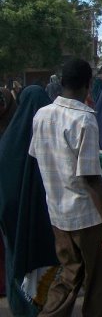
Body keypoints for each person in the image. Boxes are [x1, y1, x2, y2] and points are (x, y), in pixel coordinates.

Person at [29, 58, 102, 317]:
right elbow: (90, 177)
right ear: (88, 84)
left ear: (61, 83)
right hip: (88, 216)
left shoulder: (41, 115)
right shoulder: (84, 119)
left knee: (69, 275)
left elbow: (38, 157)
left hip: (59, 215)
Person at [0, 86, 58, 316]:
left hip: (12, 216)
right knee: (43, 261)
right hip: (43, 218)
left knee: (16, 259)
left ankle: (21, 307)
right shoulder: (48, 139)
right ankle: (42, 306)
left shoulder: (7, 143)